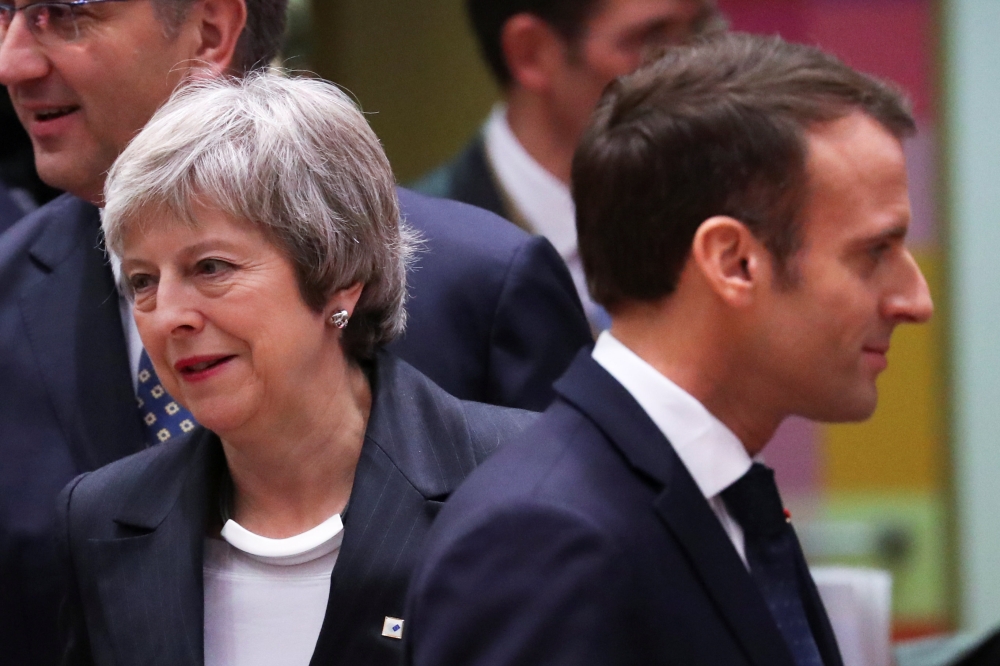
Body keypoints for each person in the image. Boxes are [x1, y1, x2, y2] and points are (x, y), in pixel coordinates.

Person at [0, 0, 588, 661]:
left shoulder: (515, 467)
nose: (170, 314)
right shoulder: (98, 513)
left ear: (338, 274)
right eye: (140, 282)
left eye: (211, 268)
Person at [405, 33, 934, 666]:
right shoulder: (544, 539)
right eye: (875, 252)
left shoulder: (722, 496)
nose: (915, 300)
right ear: (734, 262)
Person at [414, 0, 722, 329]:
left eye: (701, 30)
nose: (697, 68)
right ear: (531, 53)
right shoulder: (415, 261)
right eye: (652, 40)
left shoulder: (734, 208)